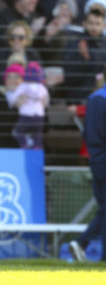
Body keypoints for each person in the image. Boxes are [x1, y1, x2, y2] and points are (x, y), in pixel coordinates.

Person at [69, 62, 106, 263]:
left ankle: (82, 242)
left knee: (104, 209)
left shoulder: (94, 98)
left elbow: (89, 132)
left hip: (96, 159)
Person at [7, 61, 49, 150]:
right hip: (39, 115)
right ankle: (36, 147)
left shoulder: (23, 86)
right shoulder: (41, 87)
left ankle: (24, 145)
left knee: (18, 131)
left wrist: (12, 103)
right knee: (37, 134)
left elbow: (13, 98)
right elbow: (45, 101)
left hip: (26, 115)